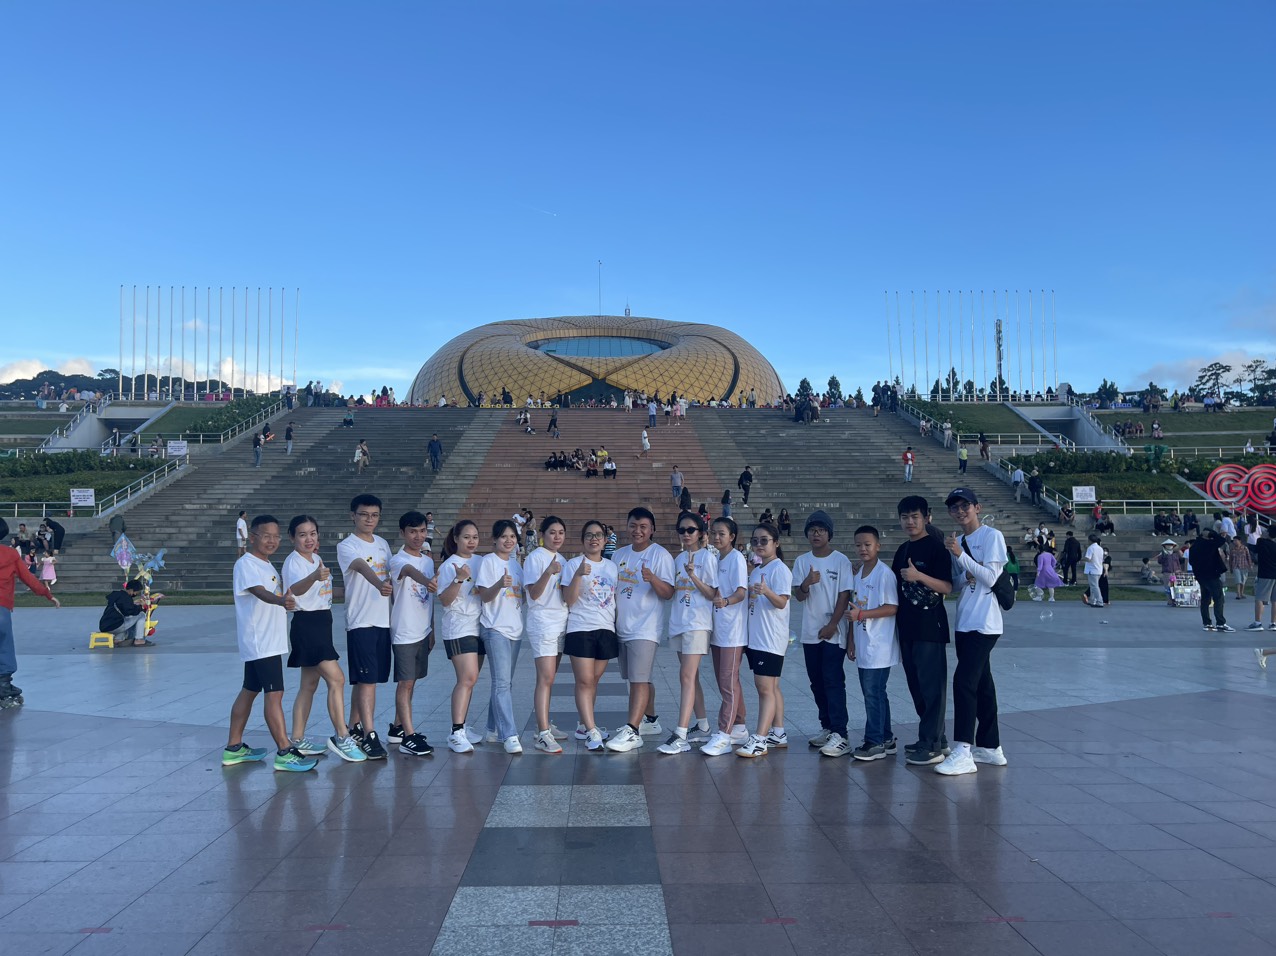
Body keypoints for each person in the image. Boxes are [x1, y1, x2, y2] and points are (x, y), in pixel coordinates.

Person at [222, 515, 317, 772]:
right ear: (252, 537)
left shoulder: (267, 565)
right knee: (274, 695)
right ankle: (284, 751)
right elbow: (259, 592)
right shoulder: (246, 564)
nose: (272, 541)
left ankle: (234, 747)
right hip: (261, 641)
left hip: (268, 640)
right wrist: (280, 601)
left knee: (249, 690)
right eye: (266, 536)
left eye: (276, 536)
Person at [936, 488, 1009, 776]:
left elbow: (991, 577)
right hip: (965, 621)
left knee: (963, 681)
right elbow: (956, 584)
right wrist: (962, 567)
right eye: (954, 507)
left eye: (965, 505)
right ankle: (991, 747)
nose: (960, 511)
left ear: (977, 508)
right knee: (982, 684)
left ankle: (964, 750)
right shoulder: (959, 541)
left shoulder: (991, 536)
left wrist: (961, 556)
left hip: (985, 623)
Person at [282, 516, 365, 763]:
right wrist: (313, 577)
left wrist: (353, 590)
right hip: (307, 625)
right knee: (337, 679)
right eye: (302, 535)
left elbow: (325, 591)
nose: (309, 539)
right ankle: (342, 736)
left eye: (313, 533)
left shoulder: (316, 560)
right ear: (292, 538)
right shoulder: (294, 562)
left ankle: (298, 739)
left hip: (321, 622)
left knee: (308, 685)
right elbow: (293, 590)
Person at [606, 508, 675, 752]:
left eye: (643, 526)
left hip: (645, 628)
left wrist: (653, 579)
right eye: (633, 525)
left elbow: (668, 593)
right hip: (622, 626)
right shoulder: (619, 555)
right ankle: (651, 720)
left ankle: (632, 730)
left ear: (652, 529)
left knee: (638, 680)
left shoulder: (660, 555)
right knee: (640, 678)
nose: (638, 531)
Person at [892, 497, 953, 765]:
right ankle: (937, 739)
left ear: (927, 517)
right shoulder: (902, 550)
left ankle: (930, 745)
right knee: (916, 686)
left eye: (915, 516)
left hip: (930, 627)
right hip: (907, 627)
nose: (910, 522)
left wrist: (919, 576)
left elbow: (947, 587)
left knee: (931, 687)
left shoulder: (936, 548)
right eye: (905, 517)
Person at [336, 493, 395, 759]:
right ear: (353, 516)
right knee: (367, 680)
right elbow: (360, 566)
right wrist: (379, 584)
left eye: (374, 515)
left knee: (366, 680)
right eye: (364, 515)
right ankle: (370, 734)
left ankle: (354, 728)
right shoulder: (347, 545)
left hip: (383, 620)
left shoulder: (382, 544)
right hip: (361, 621)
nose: (369, 520)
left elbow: (392, 573)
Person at [791, 511, 852, 757]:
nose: (816, 534)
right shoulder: (802, 561)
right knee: (816, 681)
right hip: (810, 631)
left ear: (829, 534)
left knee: (832, 680)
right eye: (812, 530)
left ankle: (841, 733)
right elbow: (798, 596)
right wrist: (806, 583)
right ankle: (827, 727)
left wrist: (833, 625)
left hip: (834, 632)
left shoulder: (841, 560)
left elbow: (845, 595)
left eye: (821, 530)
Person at [658, 512, 717, 754]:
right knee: (691, 677)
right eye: (681, 530)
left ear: (701, 533)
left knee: (686, 675)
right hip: (679, 622)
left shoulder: (707, 558)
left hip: (697, 622)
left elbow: (713, 593)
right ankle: (702, 725)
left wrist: (693, 575)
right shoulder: (678, 558)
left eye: (691, 530)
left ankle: (680, 733)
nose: (686, 534)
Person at [735, 522, 793, 758]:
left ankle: (760, 739)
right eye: (755, 541)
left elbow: (782, 602)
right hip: (757, 637)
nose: (759, 545)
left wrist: (767, 591)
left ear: (776, 543)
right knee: (772, 687)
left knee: (764, 688)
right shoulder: (758, 569)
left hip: (770, 638)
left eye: (764, 540)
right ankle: (778, 733)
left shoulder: (780, 570)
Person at [563, 519, 620, 748]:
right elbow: (568, 599)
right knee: (585, 680)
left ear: (605, 540)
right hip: (580, 627)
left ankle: (584, 725)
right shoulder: (573, 565)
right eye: (589, 535)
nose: (594, 539)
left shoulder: (612, 567)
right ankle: (592, 731)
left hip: (606, 628)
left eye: (598, 535)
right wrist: (578, 575)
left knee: (594, 680)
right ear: (582, 540)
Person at [847, 525, 900, 760]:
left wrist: (862, 615)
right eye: (858, 545)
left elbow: (891, 607)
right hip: (863, 642)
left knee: (872, 693)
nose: (863, 549)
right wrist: (851, 640)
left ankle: (874, 741)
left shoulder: (884, 574)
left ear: (878, 546)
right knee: (877, 692)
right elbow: (853, 608)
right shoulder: (858, 574)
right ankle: (886, 738)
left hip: (879, 645)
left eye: (867, 544)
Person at [387, 511, 437, 756]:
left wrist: (432, 629)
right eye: (413, 531)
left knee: (412, 681)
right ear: (402, 533)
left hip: (422, 630)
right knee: (405, 683)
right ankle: (409, 736)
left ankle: (397, 727)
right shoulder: (397, 560)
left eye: (422, 531)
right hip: (404, 631)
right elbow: (408, 570)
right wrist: (428, 582)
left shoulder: (428, 561)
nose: (418, 536)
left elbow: (429, 600)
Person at [700, 518, 751, 755]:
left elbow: (741, 592)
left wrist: (726, 602)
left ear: (732, 536)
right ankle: (739, 726)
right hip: (718, 630)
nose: (717, 537)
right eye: (714, 533)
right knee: (728, 682)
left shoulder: (736, 558)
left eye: (722, 533)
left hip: (733, 631)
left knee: (728, 683)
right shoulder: (717, 559)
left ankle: (724, 733)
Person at [476, 520, 525, 753]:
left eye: (512, 536)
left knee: (504, 683)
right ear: (494, 539)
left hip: (515, 629)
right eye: (504, 536)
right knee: (502, 683)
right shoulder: (488, 561)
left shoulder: (516, 565)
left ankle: (492, 729)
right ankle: (509, 734)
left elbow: (521, 597)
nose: (508, 540)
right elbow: (484, 596)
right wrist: (499, 583)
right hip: (494, 628)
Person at [437, 520, 486, 753]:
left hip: (479, 626)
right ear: (456, 538)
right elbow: (445, 600)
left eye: (475, 537)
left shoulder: (482, 561)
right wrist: (459, 579)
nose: (471, 541)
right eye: (466, 537)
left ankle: (462, 726)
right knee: (467, 678)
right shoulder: (450, 565)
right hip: (458, 627)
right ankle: (456, 732)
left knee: (471, 680)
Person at [524, 516, 570, 753]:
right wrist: (549, 572)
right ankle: (542, 734)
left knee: (550, 678)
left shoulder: (562, 559)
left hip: (561, 621)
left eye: (561, 532)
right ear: (542, 534)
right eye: (552, 532)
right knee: (545, 677)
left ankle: (544, 725)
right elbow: (533, 594)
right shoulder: (536, 558)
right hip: (542, 623)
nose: (557, 537)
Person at [1189, 531, 1232, 632]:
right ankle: (1220, 623)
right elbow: (1222, 540)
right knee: (1219, 598)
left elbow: (1191, 561)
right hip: (1212, 575)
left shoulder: (1194, 546)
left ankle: (1207, 623)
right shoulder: (1209, 544)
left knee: (1205, 600)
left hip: (1201, 576)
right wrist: (1212, 534)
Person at [99, 578, 151, 647]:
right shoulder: (126, 598)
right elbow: (131, 611)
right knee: (141, 615)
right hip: (114, 626)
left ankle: (118, 639)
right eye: (136, 592)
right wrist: (141, 606)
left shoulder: (118, 595)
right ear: (131, 590)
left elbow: (123, 608)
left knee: (124, 619)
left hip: (104, 626)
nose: (136, 594)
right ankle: (139, 639)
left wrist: (134, 604)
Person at [1082, 533, 1107, 608]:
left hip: (1092, 569)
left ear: (1090, 540)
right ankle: (1092, 601)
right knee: (1093, 586)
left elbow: (1088, 558)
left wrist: (1082, 558)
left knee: (1094, 586)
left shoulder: (1090, 548)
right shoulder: (1100, 548)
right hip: (1098, 569)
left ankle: (1099, 601)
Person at [1229, 535, 1253, 600]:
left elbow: (1248, 557)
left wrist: (1250, 565)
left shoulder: (1245, 548)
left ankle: (1242, 593)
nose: (1234, 542)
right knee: (1238, 580)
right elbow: (1230, 559)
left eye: (1236, 540)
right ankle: (1238, 594)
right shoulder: (1232, 549)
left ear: (1239, 541)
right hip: (1235, 566)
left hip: (1244, 566)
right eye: (1234, 541)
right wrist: (1230, 568)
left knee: (1243, 581)